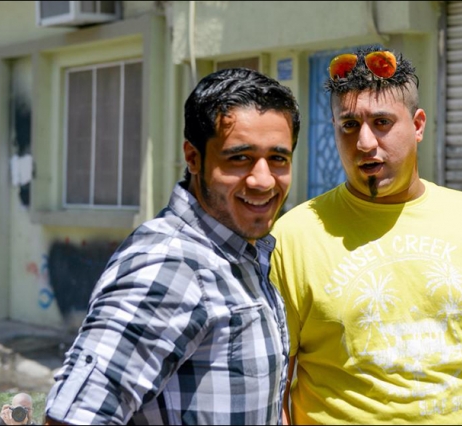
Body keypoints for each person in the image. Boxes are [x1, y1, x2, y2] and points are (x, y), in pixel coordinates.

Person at [269, 45, 462, 424]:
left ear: (417, 126)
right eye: (349, 125)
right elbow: (273, 389)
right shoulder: (292, 237)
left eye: (382, 122)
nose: (365, 142)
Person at [44, 67, 300, 425]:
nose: (263, 180)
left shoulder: (244, 252)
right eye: (239, 158)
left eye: (278, 159)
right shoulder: (171, 264)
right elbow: (73, 418)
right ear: (193, 158)